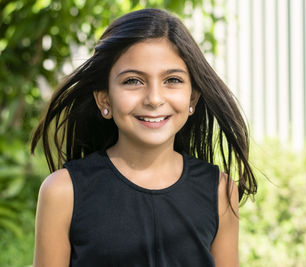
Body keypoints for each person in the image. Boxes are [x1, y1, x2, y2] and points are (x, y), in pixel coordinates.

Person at [31, 8, 257, 267]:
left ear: (192, 98)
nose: (154, 99)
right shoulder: (62, 191)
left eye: (172, 80)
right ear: (104, 98)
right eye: (133, 81)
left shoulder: (219, 191)